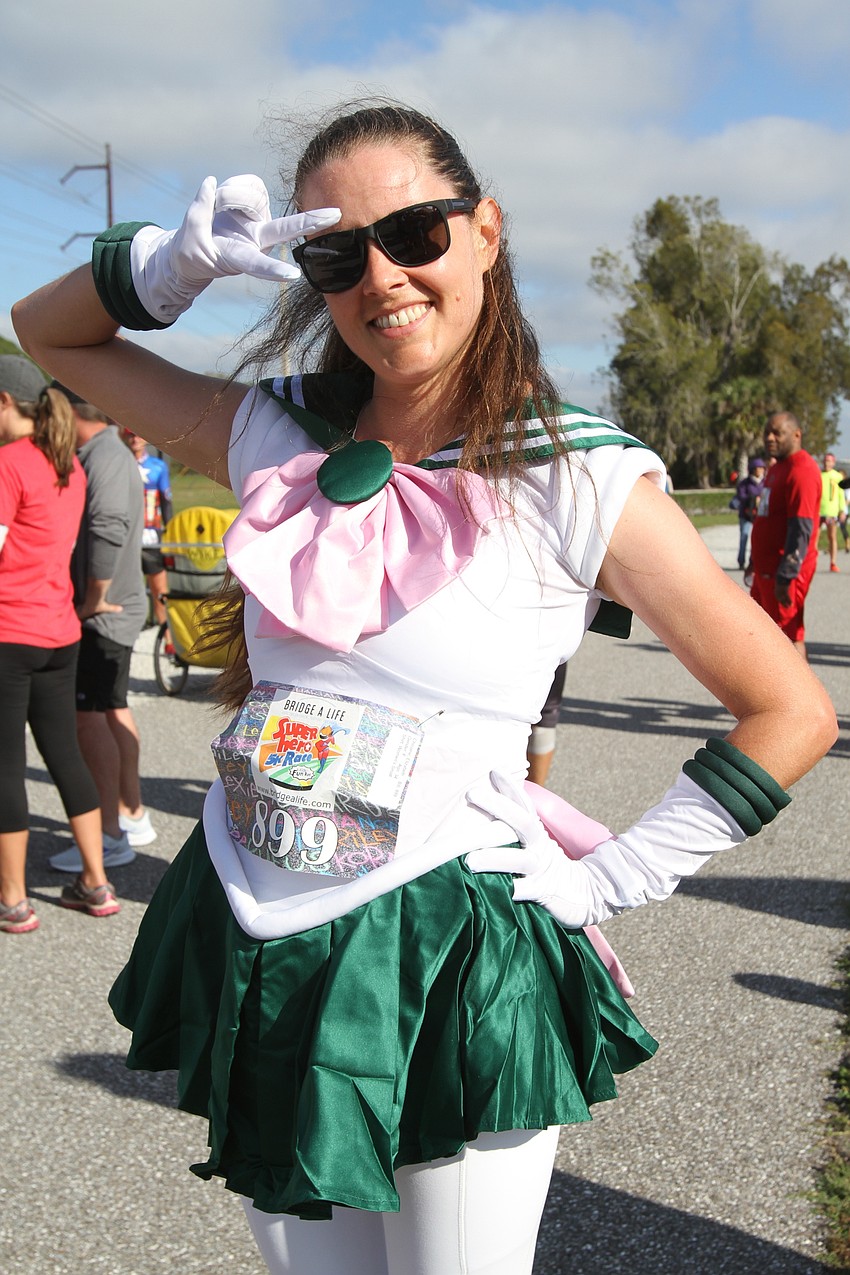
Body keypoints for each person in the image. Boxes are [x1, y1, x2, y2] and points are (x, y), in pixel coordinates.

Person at [12, 103, 836, 1274]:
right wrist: (165, 265)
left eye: (414, 233)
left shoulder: (579, 473)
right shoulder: (272, 428)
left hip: (450, 944)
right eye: (337, 253)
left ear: (485, 231)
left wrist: (616, 872)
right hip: (260, 921)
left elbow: (792, 709)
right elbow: (53, 339)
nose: (381, 277)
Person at [0, 355, 119, 932]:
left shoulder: (8, 464)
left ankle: (14, 899)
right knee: (63, 753)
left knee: (6, 764)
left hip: (9, 630)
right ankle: (96, 883)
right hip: (58, 632)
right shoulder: (66, 463)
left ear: (4, 403)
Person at [45, 388, 156, 871]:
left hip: (104, 612)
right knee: (110, 709)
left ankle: (109, 835)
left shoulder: (104, 454)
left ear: (68, 410)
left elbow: (109, 525)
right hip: (117, 607)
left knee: (88, 718)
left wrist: (91, 599)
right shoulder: (107, 451)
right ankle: (130, 814)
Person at [750, 411, 823, 660]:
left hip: (783, 572)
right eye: (766, 433)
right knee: (765, 633)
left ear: (796, 434)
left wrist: (786, 576)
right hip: (766, 568)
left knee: (789, 639)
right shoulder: (778, 466)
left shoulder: (802, 470)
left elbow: (801, 528)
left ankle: (799, 700)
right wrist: (753, 562)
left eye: (777, 433)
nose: (769, 438)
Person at [123, 428, 173, 629]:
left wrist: (170, 531)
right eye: (130, 435)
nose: (135, 439)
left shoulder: (158, 466)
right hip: (127, 536)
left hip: (153, 536)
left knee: (159, 589)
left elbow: (166, 501)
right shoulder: (121, 463)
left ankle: (166, 635)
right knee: (126, 589)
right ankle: (130, 631)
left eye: (138, 434)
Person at [732, 456, 765, 571]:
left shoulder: (765, 482)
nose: (761, 470)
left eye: (762, 468)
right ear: (752, 469)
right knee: (744, 537)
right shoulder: (744, 483)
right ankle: (741, 561)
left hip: (759, 516)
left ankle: (753, 562)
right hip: (746, 515)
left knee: (756, 539)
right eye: (758, 468)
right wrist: (753, 498)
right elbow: (741, 496)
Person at [819, 452, 845, 573]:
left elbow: (841, 494)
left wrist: (842, 510)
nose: (827, 463)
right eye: (825, 460)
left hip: (832, 511)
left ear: (833, 463)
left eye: (829, 461)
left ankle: (833, 562)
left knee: (832, 536)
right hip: (818, 511)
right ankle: (811, 562)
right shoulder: (818, 474)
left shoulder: (837, 476)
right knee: (814, 537)